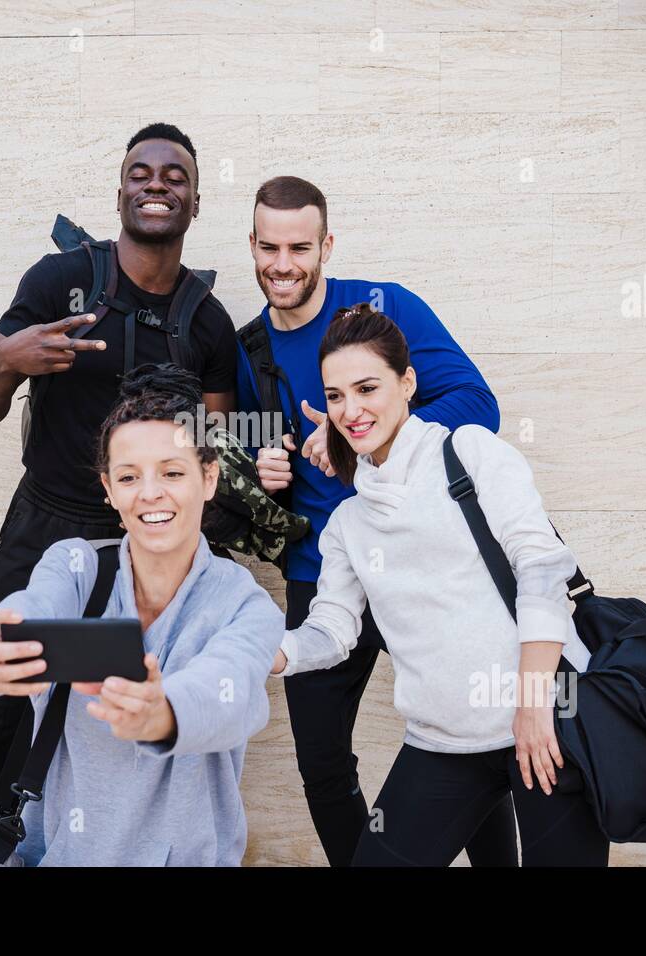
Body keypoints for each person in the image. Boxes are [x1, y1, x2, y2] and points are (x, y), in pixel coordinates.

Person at [0, 122, 240, 839]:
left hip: (143, 549)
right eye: (142, 172)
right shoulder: (58, 282)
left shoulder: (208, 325)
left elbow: (216, 460)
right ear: (120, 194)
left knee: (113, 718)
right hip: (45, 525)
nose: (157, 183)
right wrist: (9, 358)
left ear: (195, 204)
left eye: (176, 176)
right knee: (4, 700)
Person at [235, 175, 517, 866]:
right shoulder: (246, 351)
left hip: (420, 560)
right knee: (322, 765)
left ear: (325, 245)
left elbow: (479, 405)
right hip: (323, 574)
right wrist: (259, 468)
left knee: (474, 741)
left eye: (300, 246)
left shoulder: (385, 314)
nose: (283, 263)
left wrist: (362, 438)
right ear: (252, 246)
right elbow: (241, 450)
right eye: (269, 247)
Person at [271, 304, 609, 867]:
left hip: (546, 720)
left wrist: (531, 705)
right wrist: (266, 651)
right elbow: (331, 632)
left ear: (407, 383)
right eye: (335, 396)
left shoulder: (471, 453)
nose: (351, 411)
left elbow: (541, 569)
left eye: (367, 388)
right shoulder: (349, 523)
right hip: (443, 742)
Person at [0, 365, 282, 866]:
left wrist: (162, 713)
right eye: (129, 477)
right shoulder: (77, 566)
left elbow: (231, 689)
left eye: (173, 472)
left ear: (209, 477)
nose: (150, 493)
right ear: (109, 490)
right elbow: (32, 609)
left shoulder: (243, 603)